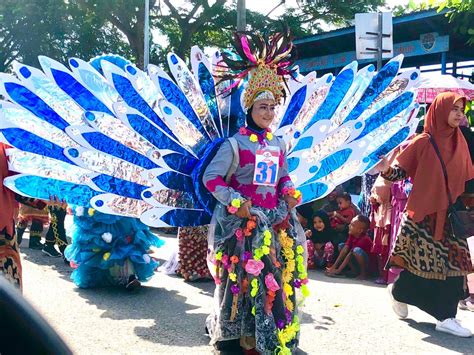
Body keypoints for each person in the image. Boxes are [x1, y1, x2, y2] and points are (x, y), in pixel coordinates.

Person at [203, 36, 308, 354]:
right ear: (249, 108)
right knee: (241, 281)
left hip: (276, 222)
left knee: (275, 279)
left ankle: (271, 335)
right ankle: (235, 335)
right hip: (241, 226)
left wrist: (289, 192)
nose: (269, 113)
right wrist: (237, 202)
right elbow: (211, 178)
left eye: (273, 107)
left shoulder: (278, 144)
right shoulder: (234, 144)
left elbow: (284, 176)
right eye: (263, 107)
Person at [381, 92, 473, 337]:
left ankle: (446, 316)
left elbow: (468, 179)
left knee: (455, 267)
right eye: (453, 109)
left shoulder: (461, 141)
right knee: (421, 267)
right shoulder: (423, 141)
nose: (458, 114)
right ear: (440, 110)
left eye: (461, 110)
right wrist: (385, 170)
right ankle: (399, 292)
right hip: (424, 215)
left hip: (451, 217)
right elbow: (399, 173)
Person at [64, 207, 163, 290]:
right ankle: (114, 276)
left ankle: (129, 276)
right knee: (99, 244)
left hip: (121, 205)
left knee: (125, 239)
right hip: (99, 205)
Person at [325, 215, 373, 279]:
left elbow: (350, 254)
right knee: (341, 246)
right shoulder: (352, 235)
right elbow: (345, 249)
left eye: (352, 225)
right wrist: (333, 267)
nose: (349, 226)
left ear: (360, 231)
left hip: (368, 265)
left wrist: (338, 270)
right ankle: (354, 271)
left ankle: (363, 274)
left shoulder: (364, 239)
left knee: (356, 250)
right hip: (356, 259)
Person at [370, 175, 393, 284]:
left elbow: (387, 222)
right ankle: (381, 274)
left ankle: (385, 276)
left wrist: (386, 234)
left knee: (384, 253)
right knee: (379, 253)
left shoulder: (389, 206)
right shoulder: (381, 205)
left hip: (385, 231)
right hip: (379, 227)